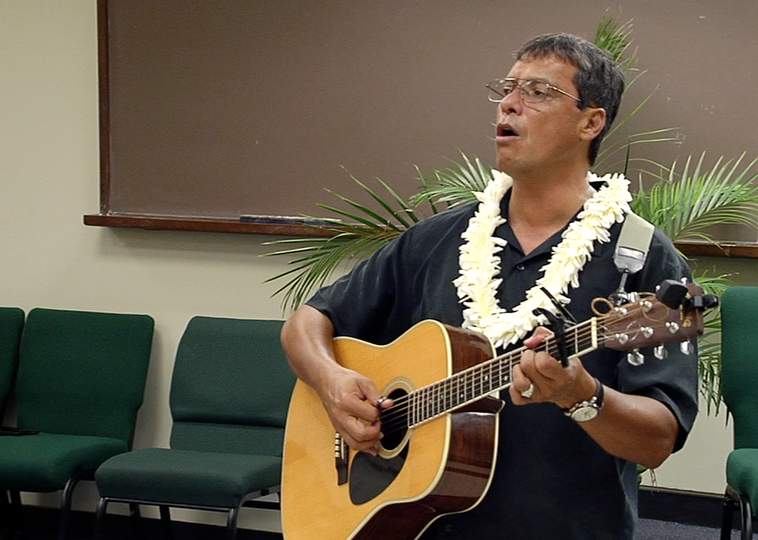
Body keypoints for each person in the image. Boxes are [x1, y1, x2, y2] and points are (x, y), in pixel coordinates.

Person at [281, 33, 698, 540]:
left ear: (591, 122)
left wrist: (581, 395)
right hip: (417, 527)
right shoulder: (437, 239)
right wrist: (331, 382)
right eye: (508, 87)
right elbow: (307, 322)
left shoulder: (642, 260)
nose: (509, 103)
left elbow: (657, 439)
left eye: (539, 91)